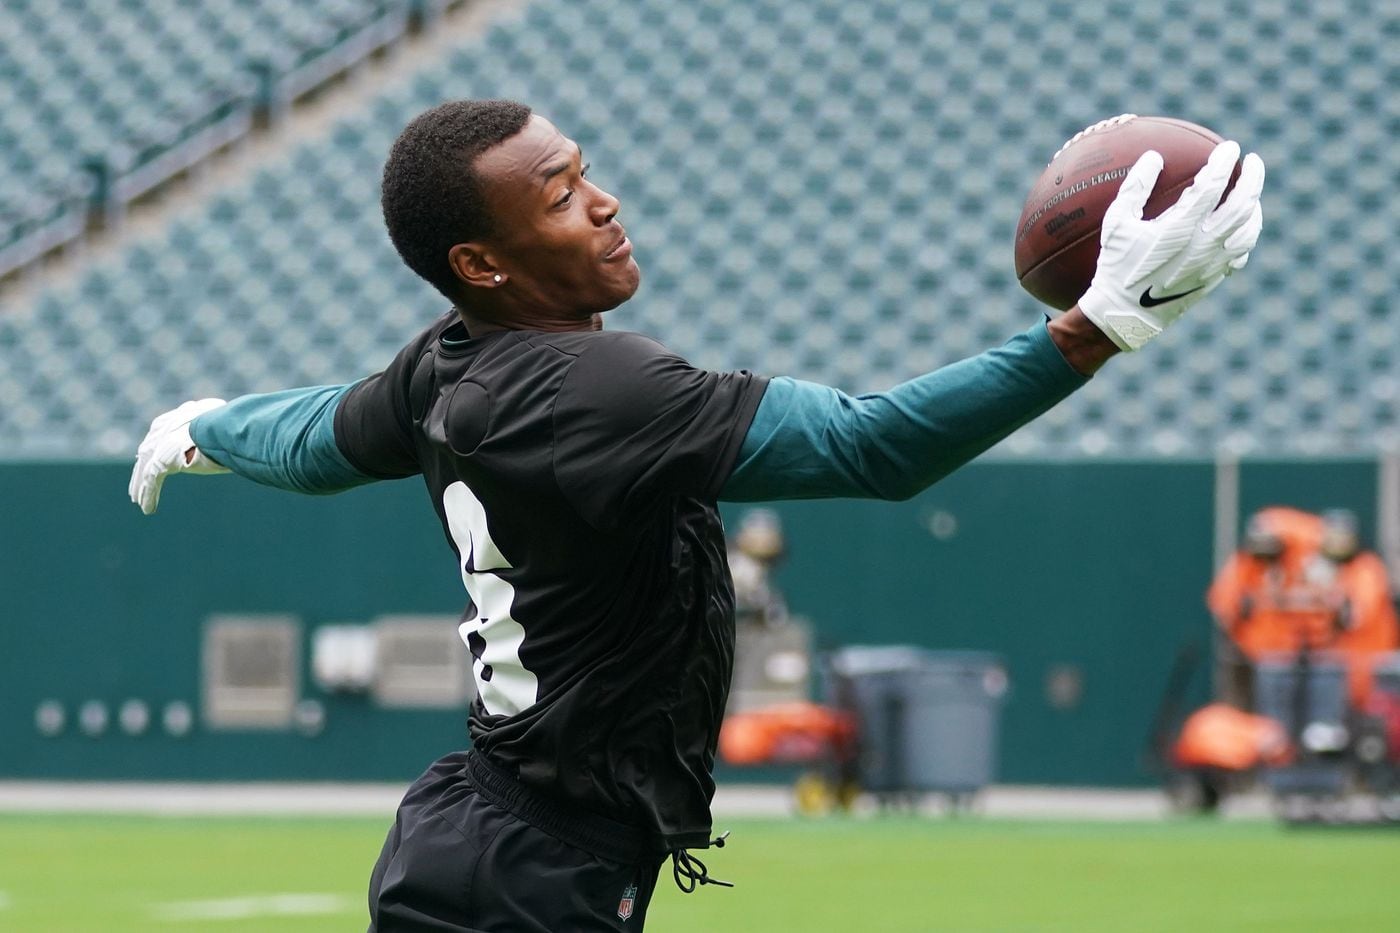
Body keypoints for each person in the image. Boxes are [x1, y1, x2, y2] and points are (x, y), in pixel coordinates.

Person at [128, 102, 1264, 930]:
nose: (604, 200)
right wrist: (1094, 325)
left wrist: (211, 429)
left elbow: (320, 438)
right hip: (529, 873)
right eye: (561, 193)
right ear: (478, 261)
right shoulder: (595, 390)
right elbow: (874, 446)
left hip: (497, 839)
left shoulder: (445, 365)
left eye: (584, 170)